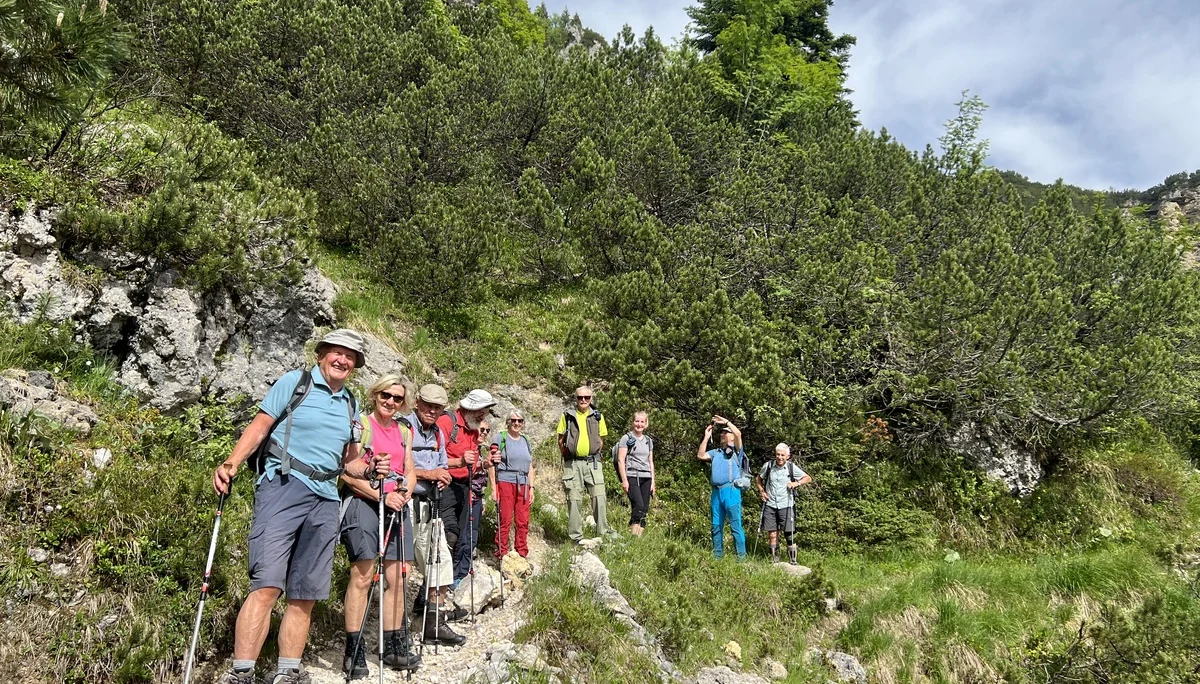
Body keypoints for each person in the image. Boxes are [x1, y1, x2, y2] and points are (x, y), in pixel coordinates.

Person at [212, 329, 384, 684]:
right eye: (337, 353)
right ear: (322, 354)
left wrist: (369, 468)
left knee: (305, 592)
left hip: (326, 498)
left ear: (355, 366)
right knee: (267, 584)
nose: (343, 360)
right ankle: (242, 672)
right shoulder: (295, 382)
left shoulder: (349, 402)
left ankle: (287, 671)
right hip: (283, 486)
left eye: (350, 357)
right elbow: (260, 427)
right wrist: (231, 463)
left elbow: (349, 460)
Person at [338, 375, 420, 677]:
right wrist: (382, 496)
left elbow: (409, 470)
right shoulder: (361, 425)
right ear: (376, 395)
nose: (391, 402)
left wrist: (404, 492)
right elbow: (347, 472)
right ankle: (354, 649)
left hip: (396, 504)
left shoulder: (403, 430)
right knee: (362, 575)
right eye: (386, 395)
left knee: (400, 576)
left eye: (397, 398)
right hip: (364, 502)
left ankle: (394, 644)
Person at [405, 384, 466, 647]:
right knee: (401, 569)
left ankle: (434, 624)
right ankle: (394, 630)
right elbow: (398, 466)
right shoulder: (403, 428)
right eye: (428, 404)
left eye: (437, 407)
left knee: (441, 565)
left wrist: (443, 476)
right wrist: (430, 475)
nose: (432, 410)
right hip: (406, 503)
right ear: (417, 402)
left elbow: (442, 465)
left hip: (430, 504)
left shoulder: (439, 434)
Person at [437, 389, 497, 589]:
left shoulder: (472, 428)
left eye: (486, 412)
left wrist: (484, 465)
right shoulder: (447, 423)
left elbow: (469, 464)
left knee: (462, 536)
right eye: (482, 411)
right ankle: (433, 584)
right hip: (445, 484)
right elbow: (431, 456)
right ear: (470, 407)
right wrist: (458, 461)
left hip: (465, 487)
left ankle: (447, 583)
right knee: (450, 534)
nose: (483, 416)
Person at [557, 386, 609, 544]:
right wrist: (567, 454)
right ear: (576, 399)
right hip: (573, 463)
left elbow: (601, 439)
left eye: (587, 397)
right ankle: (576, 538)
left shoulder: (598, 416)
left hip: (593, 463)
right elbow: (560, 439)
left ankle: (603, 535)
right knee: (573, 500)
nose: (584, 400)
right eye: (580, 397)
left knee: (599, 497)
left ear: (591, 398)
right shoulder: (567, 416)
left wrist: (595, 453)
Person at [696, 415, 748, 560]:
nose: (723, 434)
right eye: (722, 433)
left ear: (731, 437)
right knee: (716, 526)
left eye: (726, 433)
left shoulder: (737, 451)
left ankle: (741, 558)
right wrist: (706, 437)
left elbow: (738, 433)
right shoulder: (716, 452)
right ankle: (717, 556)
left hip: (731, 491)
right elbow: (700, 455)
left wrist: (726, 422)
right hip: (716, 492)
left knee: (735, 526)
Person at [755, 443, 812, 564]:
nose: (780, 457)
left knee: (789, 534)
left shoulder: (791, 467)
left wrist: (796, 484)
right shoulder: (769, 466)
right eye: (778, 454)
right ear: (775, 455)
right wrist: (762, 491)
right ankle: (774, 560)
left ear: (788, 456)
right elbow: (758, 478)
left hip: (786, 504)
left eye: (783, 455)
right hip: (770, 504)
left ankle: (793, 560)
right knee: (772, 534)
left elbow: (808, 478)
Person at [489, 410, 535, 558]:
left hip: (524, 484)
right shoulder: (500, 437)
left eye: (520, 421)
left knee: (523, 520)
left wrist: (532, 488)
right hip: (505, 482)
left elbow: (529, 466)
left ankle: (521, 552)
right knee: (505, 519)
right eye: (513, 420)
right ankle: (501, 552)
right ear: (508, 421)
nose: (516, 423)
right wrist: (494, 488)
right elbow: (491, 463)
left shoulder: (526, 440)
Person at [616, 411, 655, 536]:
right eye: (637, 421)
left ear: (646, 423)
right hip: (633, 476)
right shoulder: (627, 438)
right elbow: (620, 460)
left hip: (646, 477)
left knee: (644, 509)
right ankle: (633, 535)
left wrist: (653, 482)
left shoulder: (648, 441)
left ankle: (637, 538)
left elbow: (650, 461)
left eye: (642, 421)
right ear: (633, 422)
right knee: (638, 505)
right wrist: (624, 480)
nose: (639, 424)